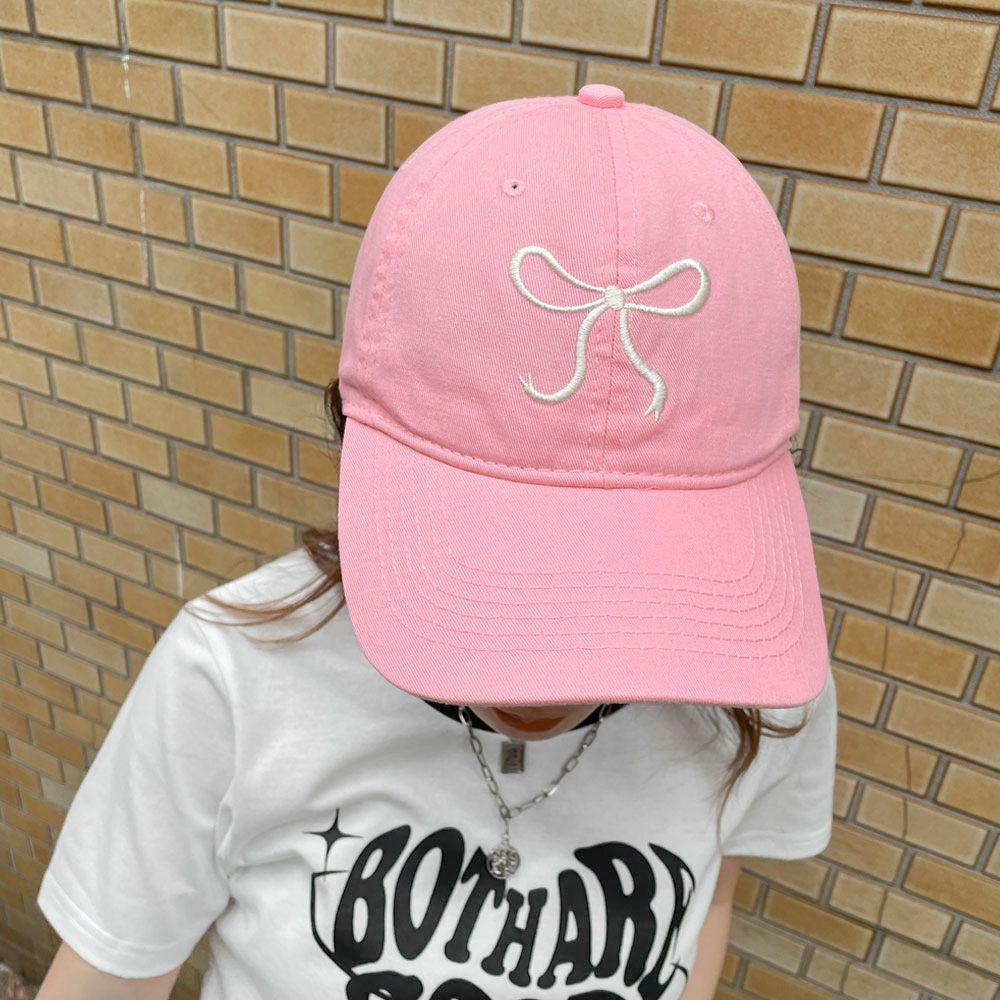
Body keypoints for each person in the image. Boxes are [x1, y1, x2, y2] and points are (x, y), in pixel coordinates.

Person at [34, 84, 838, 1000]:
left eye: (637, 572)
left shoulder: (761, 691)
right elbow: (106, 977)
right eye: (502, 562)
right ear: (350, 439)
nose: (554, 668)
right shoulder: (234, 675)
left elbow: (709, 894)